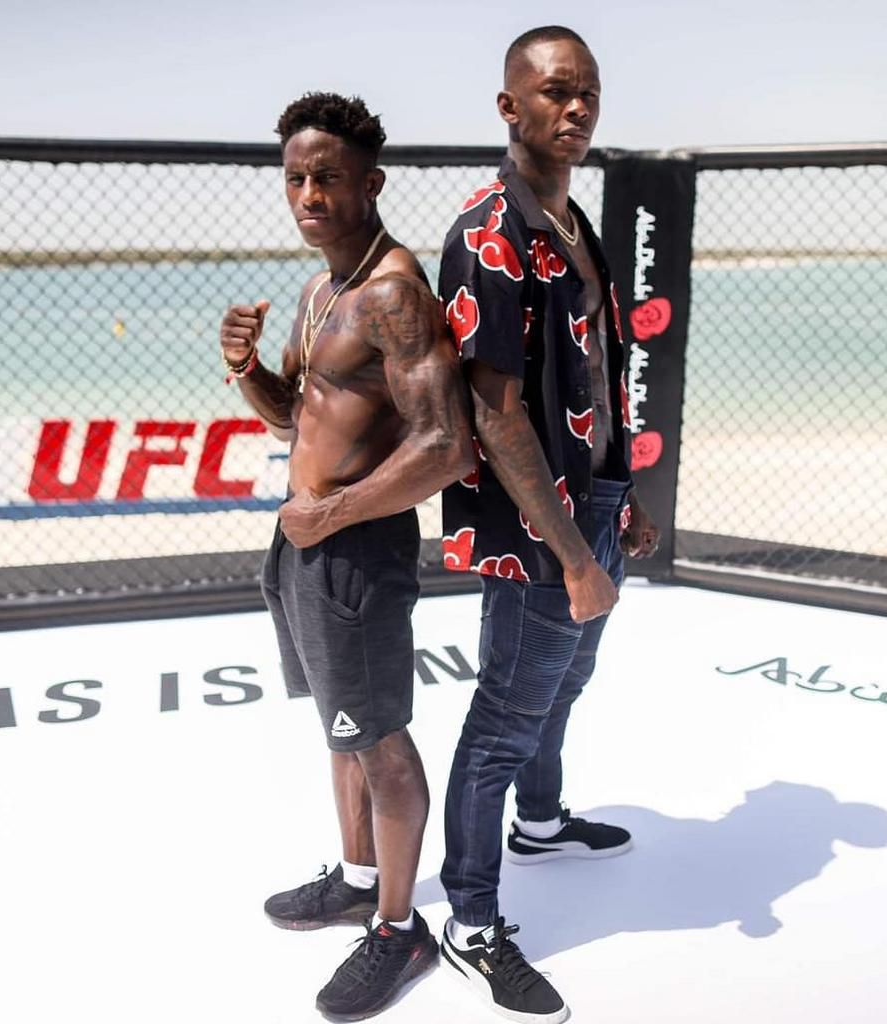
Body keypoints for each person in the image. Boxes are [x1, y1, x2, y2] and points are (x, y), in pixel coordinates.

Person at [218, 91, 473, 1021]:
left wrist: (333, 515)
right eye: (296, 177)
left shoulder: (394, 292)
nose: (309, 193)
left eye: (328, 177)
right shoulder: (320, 287)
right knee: (340, 729)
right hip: (307, 541)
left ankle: (401, 930)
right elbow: (300, 415)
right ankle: (361, 879)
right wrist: (250, 371)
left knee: (381, 739)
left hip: (356, 548)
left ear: (371, 183)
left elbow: (447, 444)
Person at [437, 26, 661, 1023]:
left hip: (594, 504)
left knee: (570, 677)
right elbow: (493, 413)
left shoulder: (573, 220)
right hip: (539, 531)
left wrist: (622, 494)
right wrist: (572, 553)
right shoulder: (488, 233)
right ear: (508, 107)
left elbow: (594, 375)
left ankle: (539, 821)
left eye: (588, 92)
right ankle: (472, 919)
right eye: (554, 93)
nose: (576, 108)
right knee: (501, 721)